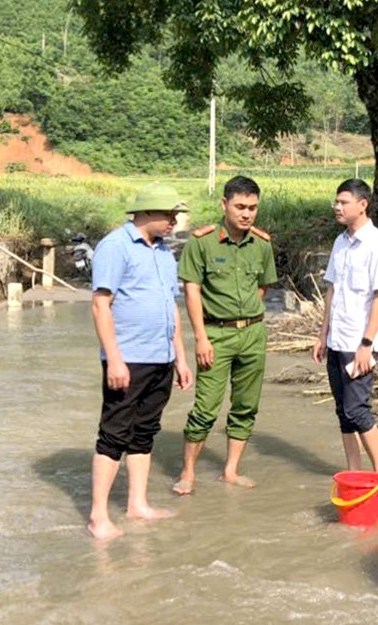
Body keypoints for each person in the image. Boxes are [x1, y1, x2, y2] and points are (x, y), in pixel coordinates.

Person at [88, 183, 194, 540]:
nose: (174, 222)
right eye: (169, 216)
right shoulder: (115, 247)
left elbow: (171, 308)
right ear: (147, 213)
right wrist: (114, 359)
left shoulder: (164, 253)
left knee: (144, 431)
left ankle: (137, 504)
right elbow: (101, 303)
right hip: (128, 358)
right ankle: (98, 515)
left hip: (160, 357)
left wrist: (180, 357)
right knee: (114, 432)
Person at [173, 176, 278, 494]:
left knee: (246, 405)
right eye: (240, 207)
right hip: (215, 336)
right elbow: (192, 290)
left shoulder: (262, 244)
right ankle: (188, 473)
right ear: (224, 205)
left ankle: (230, 471)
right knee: (205, 407)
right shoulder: (201, 242)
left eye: (253, 208)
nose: (247, 214)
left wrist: (246, 320)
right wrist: (201, 337)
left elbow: (263, 285)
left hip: (253, 334)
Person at [312, 179, 378, 474]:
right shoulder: (340, 242)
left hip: (360, 344)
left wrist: (367, 345)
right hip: (337, 340)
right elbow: (332, 291)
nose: (338, 207)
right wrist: (323, 335)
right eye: (336, 201)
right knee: (343, 413)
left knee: (358, 410)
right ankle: (353, 473)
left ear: (363, 205)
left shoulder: (377, 246)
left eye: (344, 202)